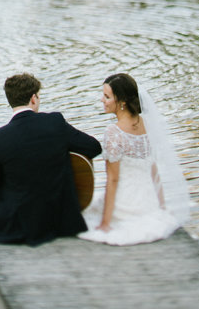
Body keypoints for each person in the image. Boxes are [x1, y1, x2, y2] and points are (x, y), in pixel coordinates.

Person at [0, 73, 102, 306]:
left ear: (10, 101)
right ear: (34, 98)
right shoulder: (55, 122)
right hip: (61, 219)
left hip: (19, 224)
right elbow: (93, 147)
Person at [79, 72, 190, 245]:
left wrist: (105, 223)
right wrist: (161, 207)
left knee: (84, 214)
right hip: (149, 202)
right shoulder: (147, 123)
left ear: (121, 102)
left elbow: (113, 180)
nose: (102, 100)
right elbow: (154, 172)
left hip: (124, 205)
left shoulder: (113, 132)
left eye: (107, 96)